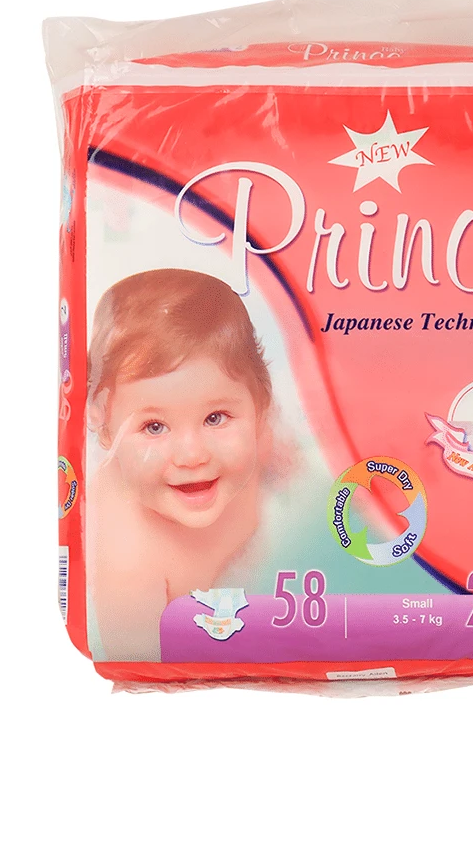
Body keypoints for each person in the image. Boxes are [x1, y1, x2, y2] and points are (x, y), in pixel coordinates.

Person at [85, 269, 272, 661]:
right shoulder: (127, 563)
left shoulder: (261, 444)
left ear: (260, 406)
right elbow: (140, 666)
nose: (192, 455)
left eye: (215, 418)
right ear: (102, 425)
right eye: (154, 427)